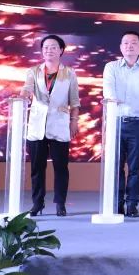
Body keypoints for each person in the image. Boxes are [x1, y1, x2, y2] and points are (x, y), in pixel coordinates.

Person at [102, 31, 139, 218]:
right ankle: (117, 204)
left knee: (136, 168)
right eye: (125, 43)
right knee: (115, 166)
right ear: (120, 47)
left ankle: (132, 204)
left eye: (134, 43)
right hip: (116, 122)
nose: (129, 46)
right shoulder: (111, 67)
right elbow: (109, 93)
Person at [22, 34, 80, 217]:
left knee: (61, 168)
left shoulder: (69, 72)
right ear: (41, 51)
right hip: (37, 126)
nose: (49, 50)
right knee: (37, 168)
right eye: (46, 47)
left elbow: (74, 101)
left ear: (61, 50)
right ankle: (37, 203)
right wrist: (23, 95)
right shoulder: (33, 71)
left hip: (59, 125)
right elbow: (27, 88)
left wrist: (74, 121)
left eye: (53, 47)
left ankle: (60, 203)